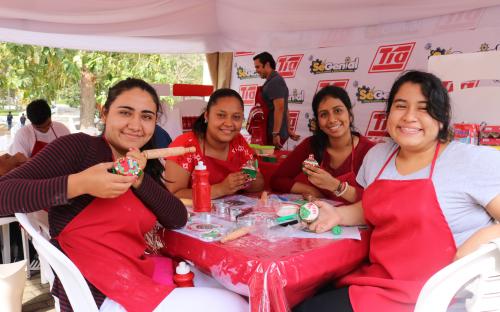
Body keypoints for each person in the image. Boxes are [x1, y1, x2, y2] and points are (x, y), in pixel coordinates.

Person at [0, 78, 248, 312]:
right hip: (100, 294)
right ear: (105, 113)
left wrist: (139, 179)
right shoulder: (79, 148)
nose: (136, 125)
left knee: (237, 287)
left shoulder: (139, 163)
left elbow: (177, 217)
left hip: (136, 274)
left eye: (147, 116)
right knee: (236, 305)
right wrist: (80, 183)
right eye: (125, 112)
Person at [293, 71, 500, 312]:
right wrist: (337, 216)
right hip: (380, 282)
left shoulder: (470, 160)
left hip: (438, 296)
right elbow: (373, 207)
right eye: (401, 106)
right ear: (389, 113)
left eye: (424, 108)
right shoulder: (378, 156)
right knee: (303, 297)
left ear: (442, 119)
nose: (410, 117)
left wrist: (482, 243)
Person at [271, 86, 375, 204]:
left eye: (338, 111)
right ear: (318, 122)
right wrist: (311, 190)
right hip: (320, 218)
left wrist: (336, 186)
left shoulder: (370, 151)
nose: (331, 120)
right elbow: (277, 180)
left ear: (350, 115)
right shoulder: (310, 145)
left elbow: (377, 200)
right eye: (324, 114)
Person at [165, 88, 265, 199]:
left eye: (236, 117)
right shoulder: (184, 146)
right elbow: (173, 195)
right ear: (207, 116)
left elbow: (259, 184)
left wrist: (246, 181)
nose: (228, 123)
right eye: (221, 115)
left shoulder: (239, 142)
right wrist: (220, 189)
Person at [253, 52, 299, 149]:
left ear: (267, 65)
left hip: (274, 133)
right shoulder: (272, 81)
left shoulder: (275, 82)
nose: (256, 70)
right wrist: (289, 129)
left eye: (258, 67)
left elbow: (280, 108)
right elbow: (285, 108)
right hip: (274, 131)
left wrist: (275, 134)